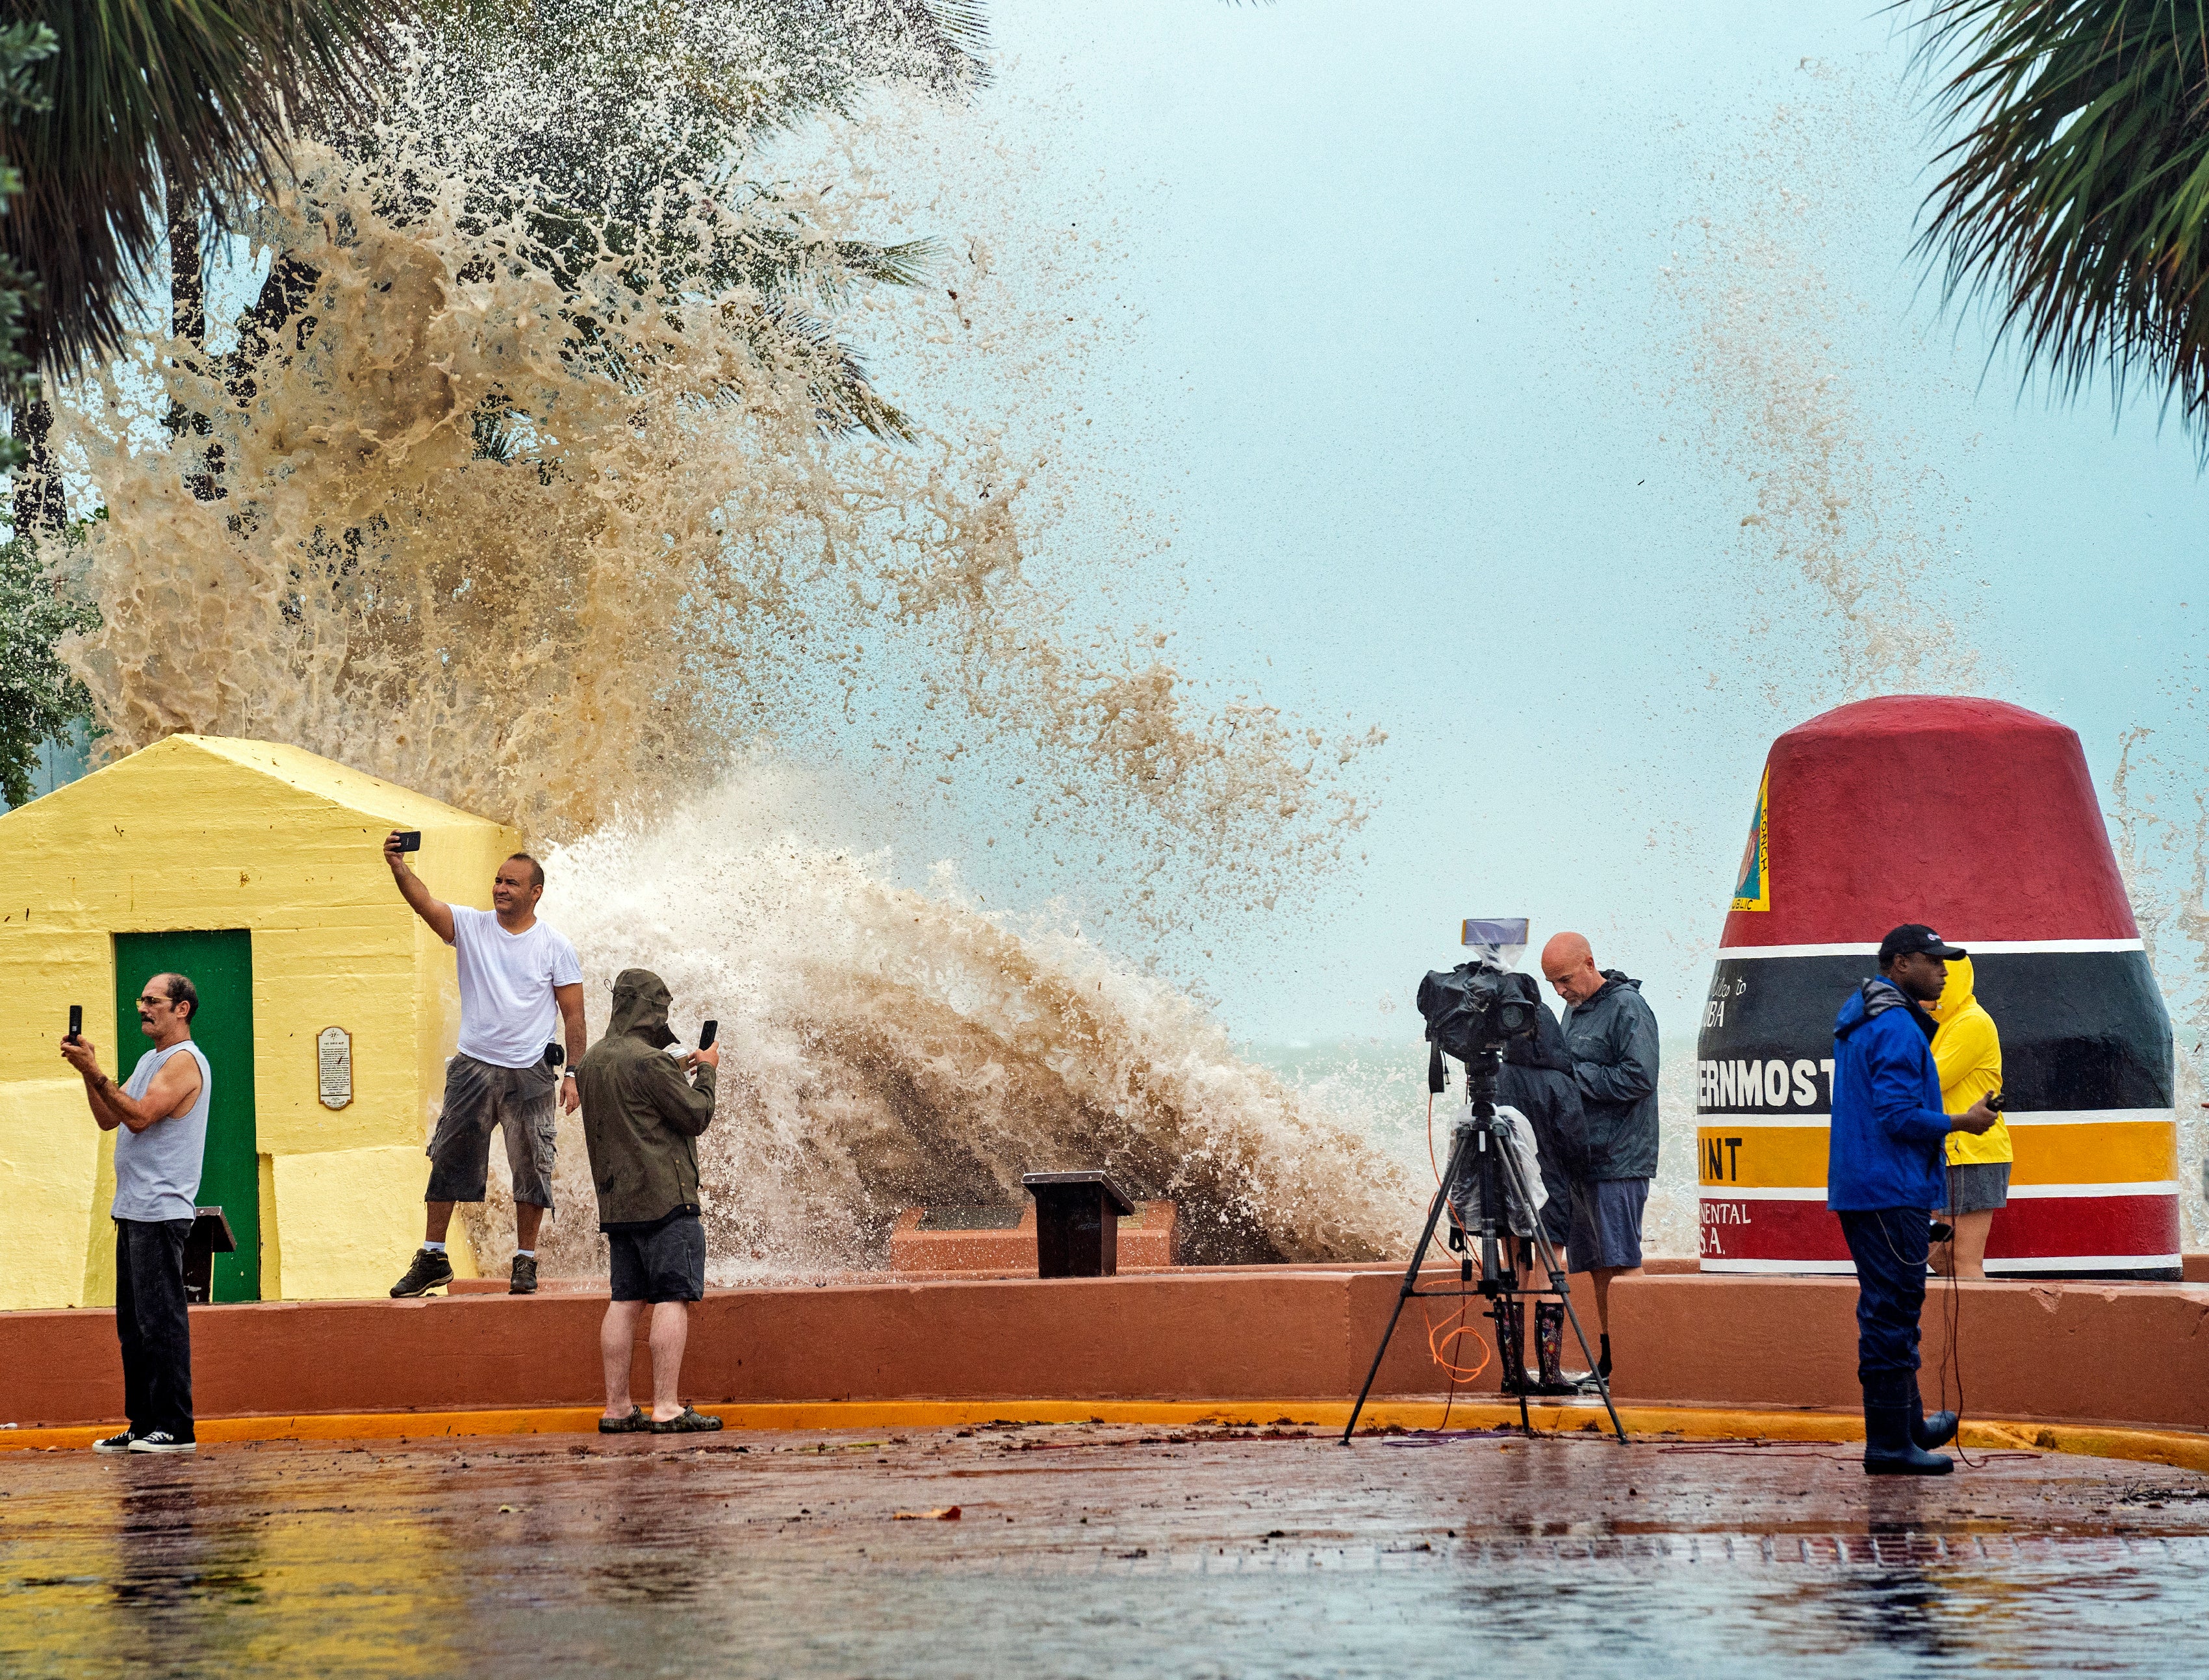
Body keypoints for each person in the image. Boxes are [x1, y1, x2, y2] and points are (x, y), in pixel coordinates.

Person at [1830, 924, 2001, 1476]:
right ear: (1901, 963)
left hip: (1867, 1187)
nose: (1945, 971)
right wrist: (1964, 1122)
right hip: (1890, 1190)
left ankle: (1908, 1426)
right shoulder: (1898, 1027)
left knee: (1893, 1308)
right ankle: (1889, 1446)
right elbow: (1899, 1117)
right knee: (1892, 1314)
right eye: (1934, 960)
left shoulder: (1866, 1016)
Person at [386, 837, 586, 1297]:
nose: (500, 888)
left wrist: (574, 1073)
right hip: (472, 1068)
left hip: (531, 1073)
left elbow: (574, 1016)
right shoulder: (471, 926)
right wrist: (399, 867)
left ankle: (526, 1261)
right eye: (498, 880)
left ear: (535, 892)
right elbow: (425, 904)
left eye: (511, 883)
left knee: (532, 1165)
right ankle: (433, 1256)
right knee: (448, 1158)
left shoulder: (555, 946)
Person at [61, 973, 212, 1454]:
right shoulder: (151, 1059)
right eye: (140, 1000)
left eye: (153, 1000)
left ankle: (176, 1427)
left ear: (181, 1009)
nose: (142, 1008)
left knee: (161, 1322)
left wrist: (96, 1071)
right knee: (134, 1327)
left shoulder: (184, 1061)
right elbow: (111, 1117)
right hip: (133, 1210)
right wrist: (88, 1072)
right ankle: (144, 1423)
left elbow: (142, 1116)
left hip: (160, 1210)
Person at [576, 969, 723, 1434]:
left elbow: (634, 1104)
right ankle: (666, 1407)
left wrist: (674, 1071)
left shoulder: (592, 1062)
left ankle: (617, 1408)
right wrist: (708, 1071)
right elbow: (696, 1115)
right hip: (666, 1201)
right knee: (672, 1297)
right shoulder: (651, 1062)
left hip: (619, 1204)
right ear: (652, 1010)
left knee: (624, 1301)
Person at [1540, 931, 1658, 1380]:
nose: (1559, 991)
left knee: (1623, 1260)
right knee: (1596, 1265)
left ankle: (1639, 1367)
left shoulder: (1629, 1007)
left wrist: (1572, 1075)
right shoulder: (1573, 1011)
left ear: (1590, 964)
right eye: (1552, 983)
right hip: (1582, 1158)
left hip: (1620, 1159)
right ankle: (1610, 1362)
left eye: (1565, 979)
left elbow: (1640, 1077)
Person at [1925, 954, 2010, 1280]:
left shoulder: (1972, 1022)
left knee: (1964, 1261)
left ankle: (1979, 1315)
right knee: (1938, 1255)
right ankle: (1974, 1313)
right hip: (1945, 1151)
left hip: (1972, 1152)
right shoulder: (1940, 1024)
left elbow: (1931, 1079)